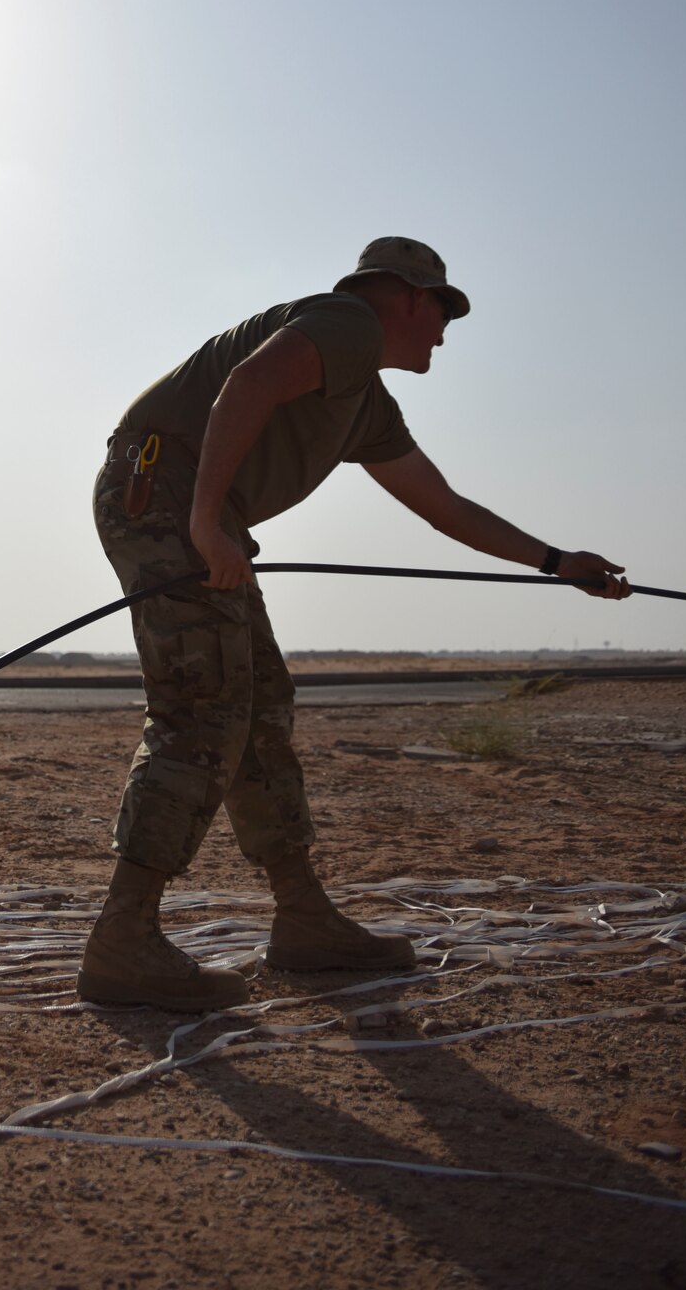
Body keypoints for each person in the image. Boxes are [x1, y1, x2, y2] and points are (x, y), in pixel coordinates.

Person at [77, 237, 630, 1012]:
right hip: (164, 499)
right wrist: (205, 522)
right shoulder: (344, 321)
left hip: (196, 516)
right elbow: (249, 382)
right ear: (405, 296)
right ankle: (121, 943)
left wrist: (554, 561)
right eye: (442, 310)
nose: (444, 331)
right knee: (202, 712)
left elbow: (442, 506)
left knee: (260, 710)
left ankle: (303, 920)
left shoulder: (366, 402)